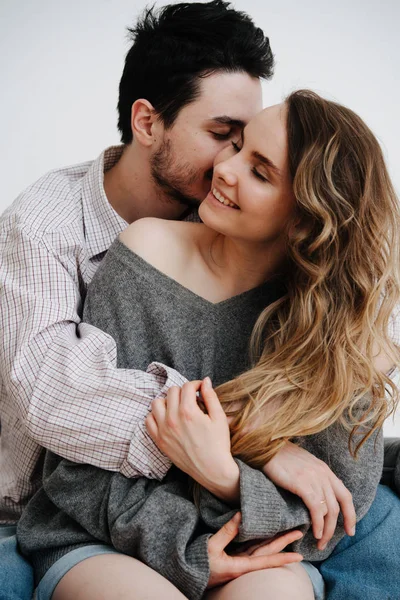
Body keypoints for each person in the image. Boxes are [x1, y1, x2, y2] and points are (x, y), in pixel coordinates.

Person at [17, 90, 400, 600]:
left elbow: (330, 514)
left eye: (260, 172)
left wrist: (225, 478)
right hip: (106, 537)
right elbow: (75, 469)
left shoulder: (345, 334)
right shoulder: (145, 251)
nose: (226, 169)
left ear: (307, 219)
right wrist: (186, 551)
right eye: (236, 145)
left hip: (261, 554)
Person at [0, 2, 275, 598]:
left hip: (191, 504)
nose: (232, 166)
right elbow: (50, 394)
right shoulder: (46, 222)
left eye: (247, 144)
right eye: (222, 137)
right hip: (41, 505)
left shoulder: (232, 226)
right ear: (147, 121)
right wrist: (262, 447)